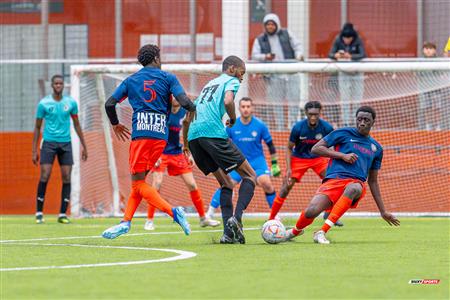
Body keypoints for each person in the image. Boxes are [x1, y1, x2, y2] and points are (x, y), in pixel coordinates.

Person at [101, 44, 196, 239]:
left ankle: (173, 213)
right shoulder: (168, 77)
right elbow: (185, 103)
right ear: (156, 59)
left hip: (142, 136)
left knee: (137, 184)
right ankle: (125, 222)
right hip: (160, 137)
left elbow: (109, 103)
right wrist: (197, 109)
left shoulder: (131, 80)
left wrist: (115, 124)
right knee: (140, 181)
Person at [282, 106, 400, 244]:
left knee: (353, 188)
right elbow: (316, 148)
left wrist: (383, 211)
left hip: (356, 183)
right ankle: (295, 231)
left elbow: (373, 181)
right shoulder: (343, 133)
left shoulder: (377, 148)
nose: (362, 122)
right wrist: (342, 156)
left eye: (366, 120)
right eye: (359, 119)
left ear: (373, 122)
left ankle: (321, 232)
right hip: (333, 180)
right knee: (311, 211)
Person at [183, 56, 257, 244]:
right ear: (232, 69)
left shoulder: (209, 84)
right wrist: (232, 118)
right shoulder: (230, 81)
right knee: (250, 175)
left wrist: (185, 145)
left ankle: (228, 234)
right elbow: (228, 100)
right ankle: (237, 219)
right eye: (242, 73)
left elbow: (187, 117)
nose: (242, 78)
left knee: (226, 184)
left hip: (194, 138)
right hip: (213, 134)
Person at [145, 99, 220, 230]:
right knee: (157, 183)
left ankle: (203, 218)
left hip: (177, 153)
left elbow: (189, 133)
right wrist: (153, 154)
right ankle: (149, 220)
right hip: (161, 152)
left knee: (192, 184)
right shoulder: (163, 111)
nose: (175, 99)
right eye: (173, 96)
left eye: (178, 96)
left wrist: (189, 153)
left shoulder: (184, 113)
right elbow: (153, 132)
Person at [268, 101, 343, 226]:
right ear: (306, 113)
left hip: (319, 158)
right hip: (299, 159)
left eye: (315, 114)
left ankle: (328, 213)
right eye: (310, 114)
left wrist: (335, 162)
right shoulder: (298, 127)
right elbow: (289, 148)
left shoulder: (326, 128)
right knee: (286, 186)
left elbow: (336, 145)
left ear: (320, 113)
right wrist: (288, 168)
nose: (313, 117)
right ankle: (271, 217)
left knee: (332, 181)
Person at [205, 97, 281, 219]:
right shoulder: (232, 125)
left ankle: (275, 216)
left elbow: (270, 145)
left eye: (248, 106)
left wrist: (275, 164)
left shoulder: (260, 125)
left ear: (252, 108)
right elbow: (222, 142)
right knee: (226, 184)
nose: (245, 109)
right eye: (243, 106)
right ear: (239, 108)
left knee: (266, 183)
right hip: (237, 162)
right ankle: (210, 213)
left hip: (257, 162)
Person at [32, 74, 88, 224]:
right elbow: (37, 127)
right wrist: (34, 150)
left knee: (66, 177)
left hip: (65, 144)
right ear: (52, 85)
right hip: (49, 143)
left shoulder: (70, 103)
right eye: (56, 83)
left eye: (60, 83)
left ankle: (62, 214)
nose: (58, 86)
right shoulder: (44, 103)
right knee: (45, 175)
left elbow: (76, 124)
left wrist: (84, 145)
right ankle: (39, 212)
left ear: (64, 85)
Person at [251, 13, 303, 130]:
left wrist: (299, 55)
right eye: (267, 24)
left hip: (291, 73)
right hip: (273, 76)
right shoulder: (260, 39)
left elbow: (298, 46)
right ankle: (280, 128)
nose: (270, 26)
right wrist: (265, 57)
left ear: (277, 24)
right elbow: (254, 55)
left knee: (294, 102)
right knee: (276, 104)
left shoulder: (287, 33)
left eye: (272, 24)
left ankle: (292, 127)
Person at [328, 22, 366, 127]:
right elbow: (330, 54)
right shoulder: (337, 39)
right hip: (343, 72)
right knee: (345, 99)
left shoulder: (358, 39)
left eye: (349, 38)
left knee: (357, 98)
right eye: (345, 38)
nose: (347, 40)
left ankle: (355, 121)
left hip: (357, 72)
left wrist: (351, 56)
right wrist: (336, 55)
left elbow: (363, 54)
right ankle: (345, 122)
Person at [418, 42, 446, 130]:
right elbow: (418, 74)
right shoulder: (420, 61)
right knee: (427, 108)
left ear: (434, 50)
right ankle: (428, 126)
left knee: (437, 107)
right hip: (424, 89)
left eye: (430, 49)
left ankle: (437, 126)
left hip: (436, 88)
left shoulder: (438, 61)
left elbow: (441, 73)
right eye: (426, 49)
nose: (428, 51)